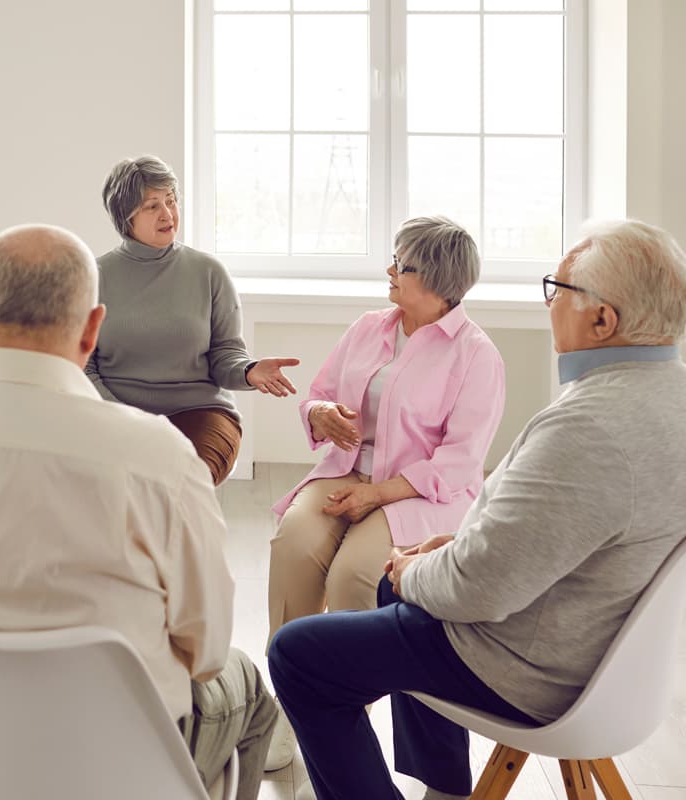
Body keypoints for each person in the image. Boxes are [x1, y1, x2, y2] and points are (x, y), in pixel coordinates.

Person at [0, 224, 277, 800]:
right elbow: (205, 647)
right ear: (92, 329)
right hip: (118, 770)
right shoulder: (159, 458)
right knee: (246, 683)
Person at [266, 219, 686, 800]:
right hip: (603, 658)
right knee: (384, 587)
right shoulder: (667, 400)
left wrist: (417, 567)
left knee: (300, 652)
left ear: (602, 319)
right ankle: (443, 782)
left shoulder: (586, 426)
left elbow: (478, 591)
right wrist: (449, 554)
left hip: (532, 666)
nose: (549, 306)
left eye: (557, 290)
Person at [268, 217, 504, 631]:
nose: (390, 271)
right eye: (394, 260)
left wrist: (377, 494)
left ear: (435, 279)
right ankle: (291, 679)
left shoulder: (476, 355)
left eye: (403, 265)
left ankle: (345, 695)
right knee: (294, 545)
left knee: (355, 575)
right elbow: (317, 395)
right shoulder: (368, 327)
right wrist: (320, 414)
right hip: (348, 471)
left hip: (419, 494)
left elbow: (460, 462)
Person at [87, 155, 300, 485]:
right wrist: (122, 418)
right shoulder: (94, 277)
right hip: (119, 413)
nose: (167, 214)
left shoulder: (208, 272)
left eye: (171, 201)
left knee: (182, 485)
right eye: (152, 205)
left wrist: (248, 370)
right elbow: (84, 366)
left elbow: (224, 355)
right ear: (125, 216)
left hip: (199, 411)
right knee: (118, 492)